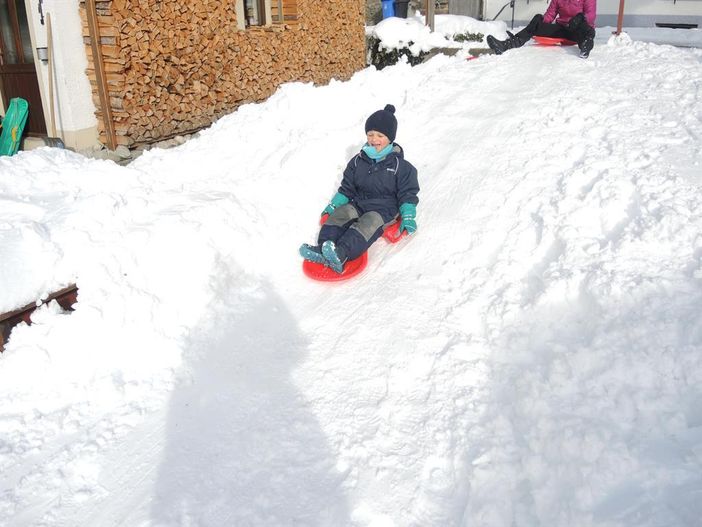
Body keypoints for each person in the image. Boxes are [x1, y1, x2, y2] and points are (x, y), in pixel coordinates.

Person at [299, 104, 419, 274]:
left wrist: (407, 216)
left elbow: (408, 193)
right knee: (341, 214)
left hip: (383, 210)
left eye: (379, 135)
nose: (373, 139)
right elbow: (346, 188)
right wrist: (333, 207)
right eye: (370, 134)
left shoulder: (401, 166)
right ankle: (324, 248)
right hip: (359, 203)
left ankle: (341, 254)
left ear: (390, 138)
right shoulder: (358, 161)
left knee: (367, 224)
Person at [487, 0, 596, 59]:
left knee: (586, 28)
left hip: (578, 28)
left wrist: (581, 17)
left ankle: (585, 47)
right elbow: (551, 14)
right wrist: (539, 22)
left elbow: (591, 15)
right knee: (537, 20)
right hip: (562, 29)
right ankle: (507, 45)